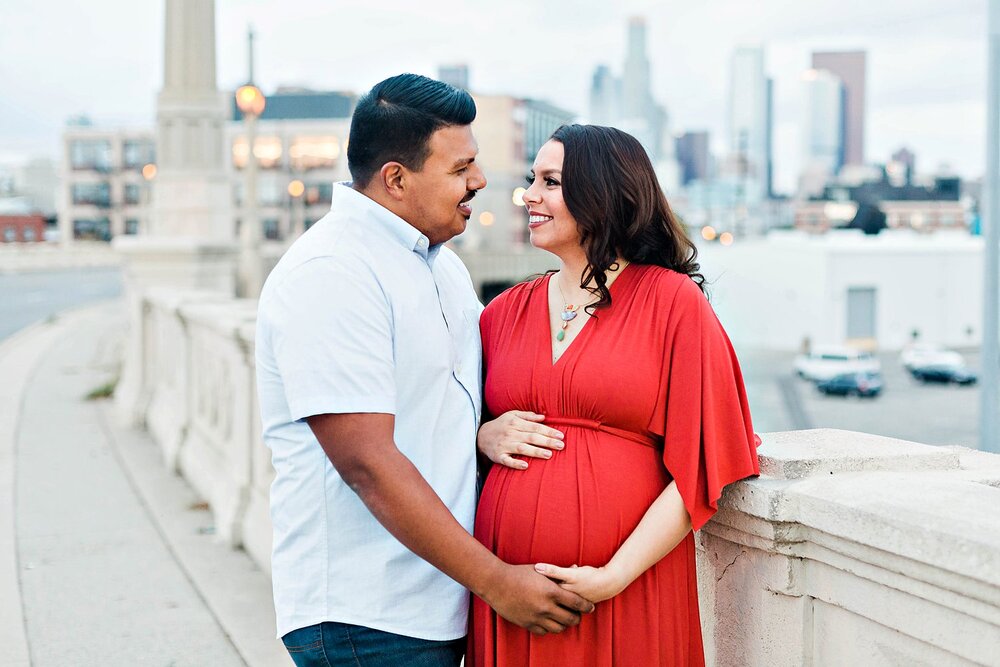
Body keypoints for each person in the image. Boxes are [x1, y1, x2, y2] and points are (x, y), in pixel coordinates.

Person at [255, 75, 593, 667]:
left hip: (435, 602)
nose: (480, 182)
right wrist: (497, 582)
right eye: (461, 168)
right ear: (396, 178)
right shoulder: (334, 271)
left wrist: (480, 434)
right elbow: (366, 462)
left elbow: (437, 405)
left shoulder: (441, 267)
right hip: (367, 613)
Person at [469, 124, 760, 666]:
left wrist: (613, 575)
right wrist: (482, 435)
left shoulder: (672, 303)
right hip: (509, 593)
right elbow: (445, 426)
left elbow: (703, 461)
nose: (529, 194)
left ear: (602, 195)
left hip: (627, 589)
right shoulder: (502, 313)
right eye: (533, 179)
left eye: (550, 181)